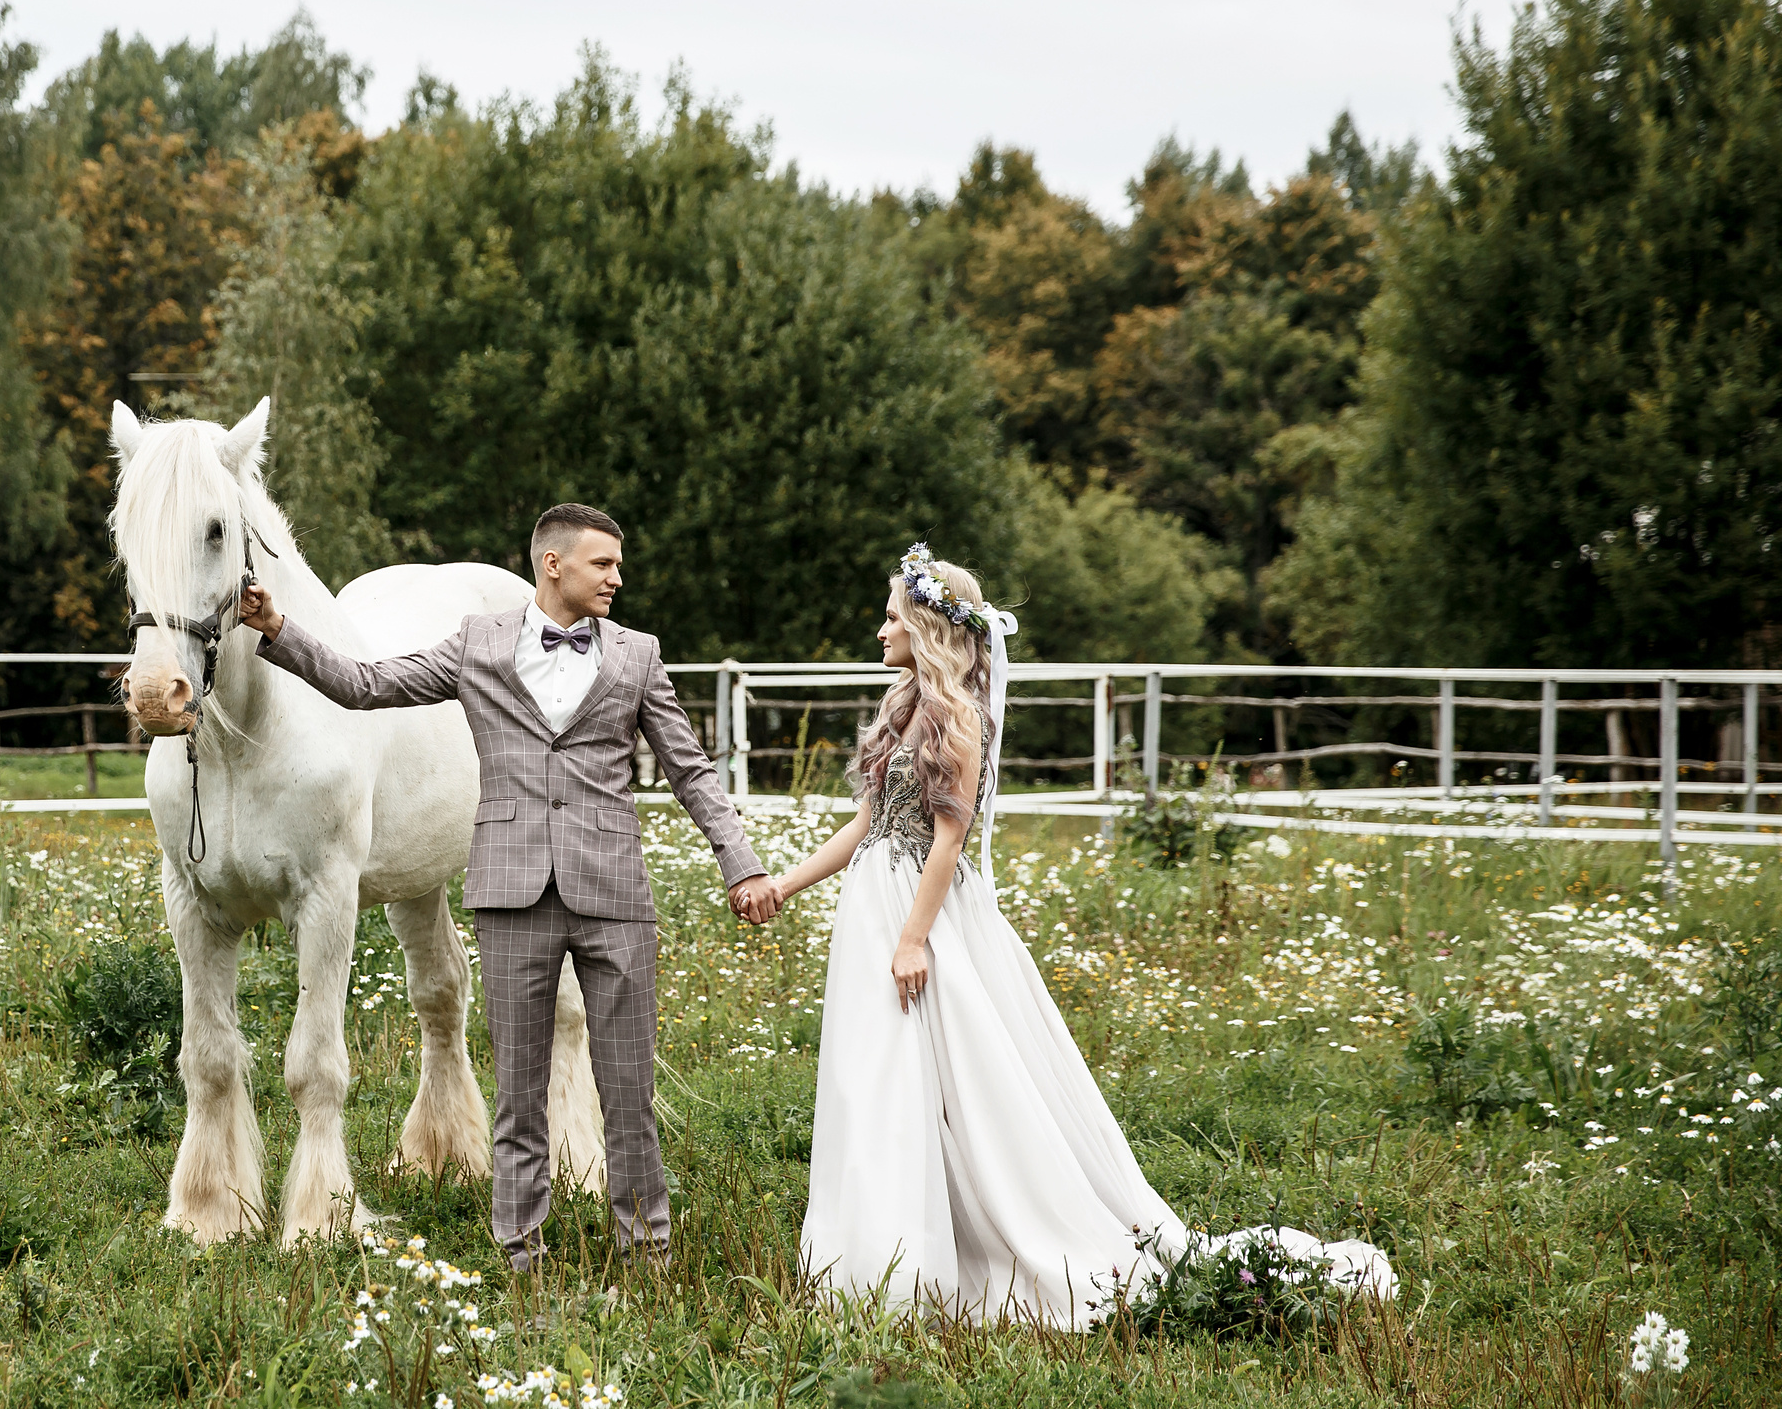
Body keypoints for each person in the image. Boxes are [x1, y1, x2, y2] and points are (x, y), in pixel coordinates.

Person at [771, 544, 1394, 1324]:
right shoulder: (900, 709)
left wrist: (913, 937)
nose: (880, 627)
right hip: (872, 903)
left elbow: (948, 841)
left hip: (919, 913)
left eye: (892, 614)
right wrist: (785, 883)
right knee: (872, 1075)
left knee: (942, 1080)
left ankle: (931, 1255)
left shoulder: (959, 717)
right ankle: (872, 1247)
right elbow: (869, 821)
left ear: (927, 624)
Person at [238, 503, 779, 1270]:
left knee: (627, 1097)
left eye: (619, 565)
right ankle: (520, 1255)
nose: (618, 577)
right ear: (552, 563)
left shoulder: (637, 655)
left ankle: (647, 1253)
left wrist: (743, 862)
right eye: (604, 563)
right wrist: (279, 630)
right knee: (518, 1103)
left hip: (615, 898)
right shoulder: (477, 644)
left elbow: (691, 771)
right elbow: (364, 685)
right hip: (511, 896)